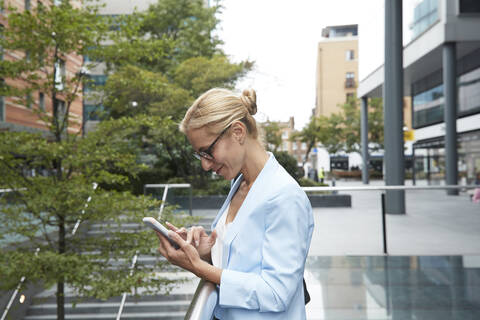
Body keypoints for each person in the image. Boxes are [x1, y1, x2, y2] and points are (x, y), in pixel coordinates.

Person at [155, 88, 314, 319]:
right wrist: (206, 251)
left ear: (238, 132)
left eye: (207, 152)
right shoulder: (241, 183)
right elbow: (247, 261)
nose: (205, 165)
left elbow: (276, 293)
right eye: (199, 156)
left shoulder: (285, 197)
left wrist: (199, 268)